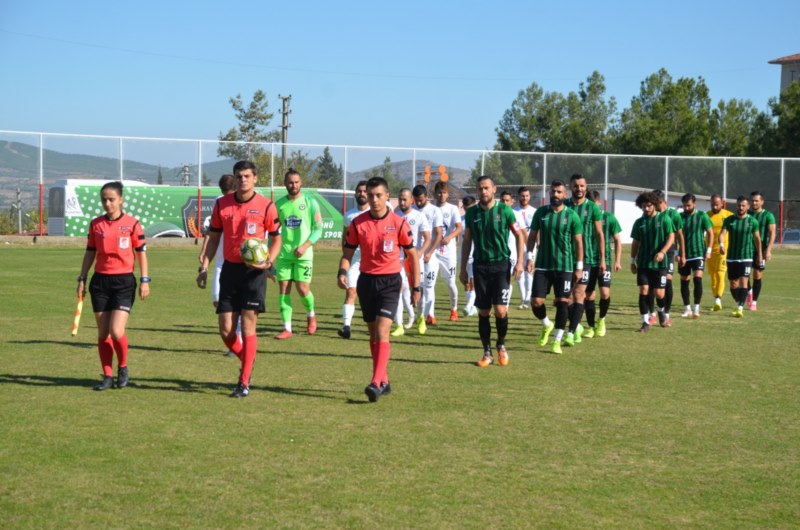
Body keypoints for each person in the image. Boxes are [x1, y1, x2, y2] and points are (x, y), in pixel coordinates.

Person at [196, 160, 281, 398]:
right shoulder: (222, 204)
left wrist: (268, 263)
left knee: (248, 325)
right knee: (226, 330)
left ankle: (243, 382)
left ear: (255, 178)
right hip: (230, 270)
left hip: (254, 273)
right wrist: (204, 266)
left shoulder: (266, 206)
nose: (243, 180)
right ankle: (247, 361)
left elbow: (277, 240)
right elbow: (213, 239)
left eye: (247, 176)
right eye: (239, 176)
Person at [337, 177, 420, 402]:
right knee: (373, 334)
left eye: (378, 195)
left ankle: (375, 382)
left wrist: (416, 286)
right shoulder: (357, 223)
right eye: (370, 195)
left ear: (386, 196)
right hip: (367, 282)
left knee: (383, 331)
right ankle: (384, 379)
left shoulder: (399, 223)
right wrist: (342, 272)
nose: (374, 200)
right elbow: (347, 254)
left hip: (391, 282)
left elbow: (412, 256)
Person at [77, 181, 150, 391]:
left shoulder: (133, 224)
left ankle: (123, 366)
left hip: (124, 282)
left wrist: (145, 280)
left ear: (120, 200)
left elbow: (141, 253)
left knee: (116, 331)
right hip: (100, 282)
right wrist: (82, 277)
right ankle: (107, 376)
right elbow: (90, 252)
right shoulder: (96, 224)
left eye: (111, 199)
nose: (107, 203)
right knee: (103, 333)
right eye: (104, 200)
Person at [461, 176, 524, 366]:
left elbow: (519, 236)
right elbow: (467, 241)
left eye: (486, 188)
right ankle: (487, 352)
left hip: (501, 266)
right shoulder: (472, 214)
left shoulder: (505, 211)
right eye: (480, 189)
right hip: (480, 267)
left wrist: (520, 262)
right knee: (483, 312)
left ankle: (501, 345)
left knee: (501, 310)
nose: (483, 192)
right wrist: (464, 268)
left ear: (494, 189)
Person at [526, 180, 583, 354]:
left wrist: (579, 266)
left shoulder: (572, 215)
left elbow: (579, 243)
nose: (555, 195)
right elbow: (532, 236)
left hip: (564, 266)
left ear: (565, 195)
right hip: (543, 265)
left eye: (559, 192)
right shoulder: (541, 213)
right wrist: (529, 257)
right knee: (536, 302)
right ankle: (546, 324)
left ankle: (557, 340)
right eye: (553, 191)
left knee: (563, 302)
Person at [274, 168, 323, 339]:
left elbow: (318, 229)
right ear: (285, 184)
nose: (293, 185)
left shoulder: (310, 202)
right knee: (284, 289)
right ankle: (287, 328)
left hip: (304, 255)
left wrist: (305, 245)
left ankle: (311, 314)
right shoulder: (278, 205)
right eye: (290, 182)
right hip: (284, 255)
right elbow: (272, 232)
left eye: (296, 182)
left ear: (301, 183)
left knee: (302, 289)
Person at [198, 174, 239, 355]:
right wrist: (204, 252)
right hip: (221, 262)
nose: (226, 196)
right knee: (217, 300)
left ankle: (237, 340)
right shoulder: (220, 202)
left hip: (238, 263)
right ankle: (234, 337)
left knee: (237, 306)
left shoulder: (244, 202)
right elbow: (212, 233)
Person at [565, 174, 605, 346]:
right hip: (565, 258)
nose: (579, 189)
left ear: (586, 188)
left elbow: (599, 234)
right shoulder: (564, 206)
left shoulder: (592, 208)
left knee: (579, 294)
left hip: (587, 258)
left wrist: (603, 259)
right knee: (566, 298)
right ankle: (577, 325)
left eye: (582, 186)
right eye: (575, 186)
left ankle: (572, 332)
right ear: (570, 187)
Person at [630, 191, 675, 333]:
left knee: (659, 294)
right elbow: (635, 242)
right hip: (643, 263)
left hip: (660, 264)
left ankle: (661, 310)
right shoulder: (639, 222)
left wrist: (662, 252)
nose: (647, 209)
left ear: (654, 205)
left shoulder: (665, 219)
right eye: (644, 206)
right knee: (644, 290)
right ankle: (645, 322)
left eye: (649, 206)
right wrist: (632, 260)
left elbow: (671, 237)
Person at [392, 188, 431, 336]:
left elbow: (427, 238)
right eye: (400, 199)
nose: (402, 202)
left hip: (415, 260)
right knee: (398, 291)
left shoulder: (419, 216)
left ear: (411, 200)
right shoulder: (395, 216)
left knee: (418, 292)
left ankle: (421, 318)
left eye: (405, 199)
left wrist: (419, 253)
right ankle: (399, 325)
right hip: (398, 260)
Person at [719, 195, 762, 318]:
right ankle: (740, 302)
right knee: (733, 284)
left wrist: (759, 255)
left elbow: (757, 239)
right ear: (736, 206)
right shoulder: (729, 220)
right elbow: (722, 234)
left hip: (746, 257)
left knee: (744, 282)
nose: (741, 208)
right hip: (732, 257)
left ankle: (740, 308)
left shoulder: (752, 221)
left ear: (747, 207)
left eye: (743, 205)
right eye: (739, 205)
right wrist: (721, 244)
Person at [338, 181, 369, 339]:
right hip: (355, 259)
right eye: (359, 191)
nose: (362, 194)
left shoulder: (375, 212)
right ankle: (346, 326)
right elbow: (345, 240)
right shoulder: (349, 215)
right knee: (351, 291)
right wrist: (344, 263)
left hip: (372, 259)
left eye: (365, 191)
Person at [588, 190, 622, 337]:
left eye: (594, 204)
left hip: (604, 260)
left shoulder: (609, 217)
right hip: (588, 260)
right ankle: (590, 326)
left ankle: (601, 320)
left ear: (599, 203)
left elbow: (618, 240)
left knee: (604, 292)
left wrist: (618, 261)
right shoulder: (583, 217)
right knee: (589, 295)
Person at [412, 184, 443, 330]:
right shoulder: (411, 211)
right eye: (416, 200)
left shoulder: (435, 211)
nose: (418, 203)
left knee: (428, 286)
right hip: (413, 257)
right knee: (416, 287)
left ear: (426, 196)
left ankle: (429, 314)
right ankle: (418, 315)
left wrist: (429, 252)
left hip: (430, 256)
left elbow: (438, 234)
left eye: (420, 200)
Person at [678, 193, 714, 319]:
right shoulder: (679, 217)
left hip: (698, 253)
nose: (686, 208)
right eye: (684, 206)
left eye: (688, 205)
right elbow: (676, 236)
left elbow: (710, 233)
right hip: (684, 255)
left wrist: (708, 250)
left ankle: (696, 308)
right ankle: (687, 308)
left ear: (694, 204)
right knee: (684, 281)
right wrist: (678, 253)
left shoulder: (702, 216)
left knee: (697, 279)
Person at [433, 181, 463, 321]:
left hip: (448, 253)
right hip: (432, 252)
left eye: (444, 192)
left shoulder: (452, 209)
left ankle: (454, 310)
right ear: (435, 193)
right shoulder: (430, 209)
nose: (441, 195)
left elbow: (459, 228)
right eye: (439, 192)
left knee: (450, 283)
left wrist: (450, 237)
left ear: (448, 194)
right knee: (429, 284)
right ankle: (430, 315)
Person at [653, 190, 684, 327]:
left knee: (668, 281)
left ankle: (666, 313)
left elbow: (679, 235)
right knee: (653, 284)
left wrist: (682, 254)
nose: (656, 206)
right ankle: (652, 313)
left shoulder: (674, 214)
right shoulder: (651, 214)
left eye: (658, 203)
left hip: (669, 252)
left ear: (665, 202)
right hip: (653, 252)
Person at [747, 191, 776, 311]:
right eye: (752, 200)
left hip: (760, 251)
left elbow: (772, 233)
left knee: (757, 275)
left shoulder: (768, 215)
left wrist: (768, 250)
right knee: (744, 275)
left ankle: (754, 301)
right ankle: (749, 292)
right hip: (746, 250)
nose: (754, 202)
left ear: (762, 202)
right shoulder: (746, 214)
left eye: (756, 201)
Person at [707, 194, 733, 311]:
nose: (715, 206)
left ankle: (718, 298)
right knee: (713, 277)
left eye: (717, 204)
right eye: (713, 204)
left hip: (723, 250)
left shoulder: (728, 215)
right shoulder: (707, 215)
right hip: (709, 251)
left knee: (720, 274)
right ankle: (715, 300)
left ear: (722, 203)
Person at [513, 186, 536, 309]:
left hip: (531, 246)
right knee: (519, 272)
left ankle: (528, 298)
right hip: (517, 246)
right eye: (522, 195)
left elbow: (537, 231)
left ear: (529, 196)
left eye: (527, 195)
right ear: (518, 197)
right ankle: (523, 299)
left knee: (529, 271)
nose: (525, 198)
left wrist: (538, 244)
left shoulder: (534, 211)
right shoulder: (514, 212)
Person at [460, 195, 478, 317]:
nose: (468, 210)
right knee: (465, 282)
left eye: (470, 207)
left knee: (473, 282)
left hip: (475, 255)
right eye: (466, 208)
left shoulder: (477, 219)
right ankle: (472, 306)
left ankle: (469, 306)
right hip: (463, 256)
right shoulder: (460, 220)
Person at [500, 191, 519, 306]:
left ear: (512, 202)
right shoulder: (494, 213)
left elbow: (520, 234)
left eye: (507, 200)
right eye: (503, 200)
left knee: (507, 279)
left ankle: (505, 305)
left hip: (511, 253)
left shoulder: (515, 215)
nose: (505, 202)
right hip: (497, 253)